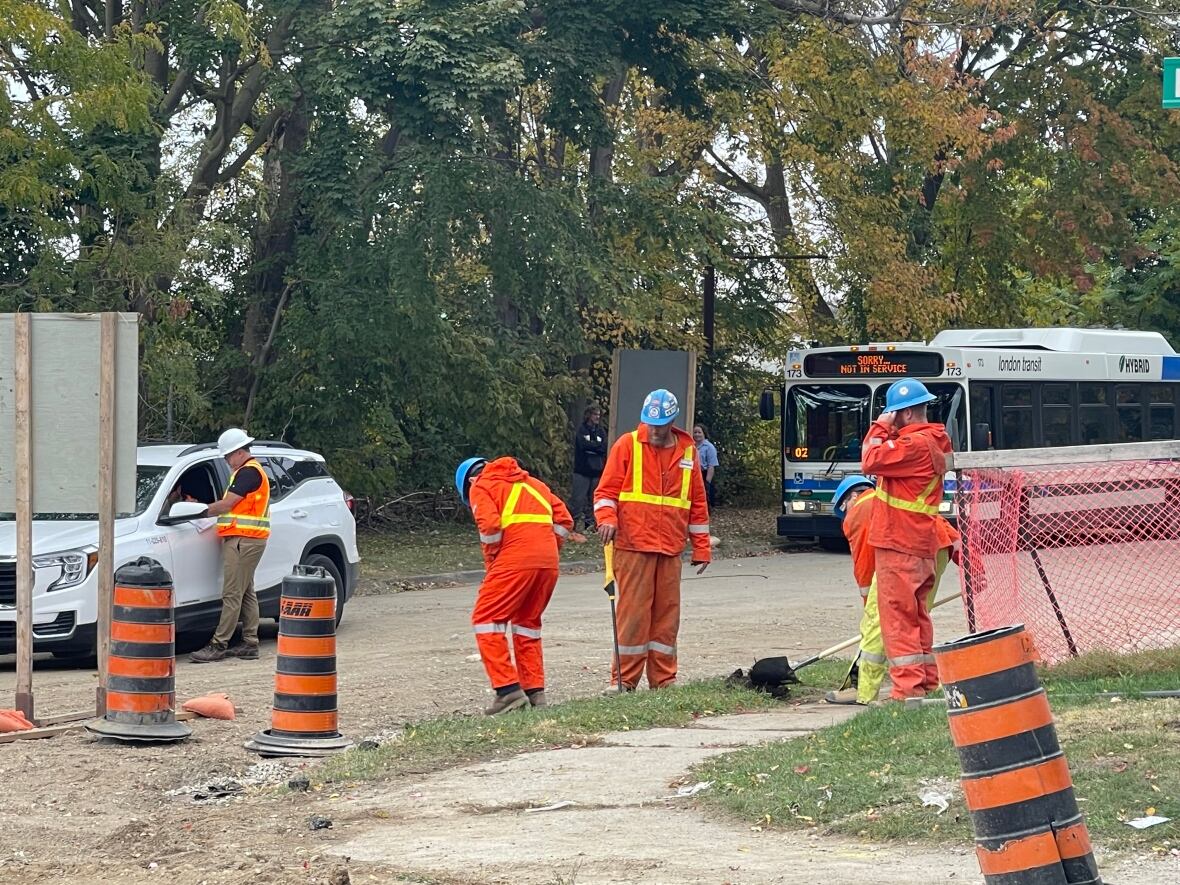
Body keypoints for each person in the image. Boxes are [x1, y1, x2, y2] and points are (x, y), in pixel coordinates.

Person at [594, 389, 711, 692]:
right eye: (651, 424)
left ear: (672, 422)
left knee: (666, 617)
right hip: (634, 545)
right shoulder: (628, 445)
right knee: (633, 615)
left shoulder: (688, 452)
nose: (655, 431)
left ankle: (664, 680)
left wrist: (701, 547)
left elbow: (697, 503)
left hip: (670, 547)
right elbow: (605, 493)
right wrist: (607, 519)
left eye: (660, 425)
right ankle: (624, 681)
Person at [455, 455, 581, 714]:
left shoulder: (481, 485)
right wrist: (548, 548)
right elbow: (564, 520)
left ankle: (508, 691)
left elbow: (490, 527)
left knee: (486, 619)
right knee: (527, 624)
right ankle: (535, 692)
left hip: (514, 560)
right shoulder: (534, 484)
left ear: (469, 481)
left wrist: (493, 561)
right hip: (548, 564)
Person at [824, 475, 959, 705]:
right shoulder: (891, 498)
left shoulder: (861, 509)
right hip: (936, 550)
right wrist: (974, 568)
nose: (845, 515)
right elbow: (948, 533)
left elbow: (865, 562)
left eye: (843, 509)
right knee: (916, 617)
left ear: (853, 496)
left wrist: (870, 607)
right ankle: (926, 685)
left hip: (903, 552)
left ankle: (864, 692)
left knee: (882, 624)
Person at [860, 378, 953, 700]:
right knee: (917, 615)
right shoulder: (933, 441)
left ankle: (907, 691)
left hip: (899, 541)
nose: (891, 419)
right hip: (920, 542)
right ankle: (926, 682)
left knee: (898, 619)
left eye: (893, 413)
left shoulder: (913, 445)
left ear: (906, 413)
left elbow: (870, 460)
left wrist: (879, 426)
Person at [190, 428, 271, 663]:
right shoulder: (250, 471)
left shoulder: (248, 473)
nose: (226, 461)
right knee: (246, 592)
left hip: (243, 540)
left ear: (238, 452)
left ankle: (219, 644)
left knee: (232, 593)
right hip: (248, 539)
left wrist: (200, 511)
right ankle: (250, 642)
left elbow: (227, 505)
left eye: (227, 456)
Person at [572, 404, 607, 531]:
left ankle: (591, 524)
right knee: (578, 499)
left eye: (599, 415)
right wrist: (595, 446)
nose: (597, 417)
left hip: (596, 471)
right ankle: (574, 524)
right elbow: (583, 445)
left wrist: (592, 447)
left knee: (594, 499)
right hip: (582, 471)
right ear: (588, 415)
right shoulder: (581, 430)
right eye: (595, 414)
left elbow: (603, 447)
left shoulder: (601, 431)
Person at [692, 424, 718, 507]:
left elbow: (711, 465)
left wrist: (707, 482)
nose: (697, 434)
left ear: (704, 433)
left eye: (699, 432)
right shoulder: (691, 445)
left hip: (704, 474)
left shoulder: (709, 447)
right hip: (693, 474)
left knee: (705, 498)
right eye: (695, 432)